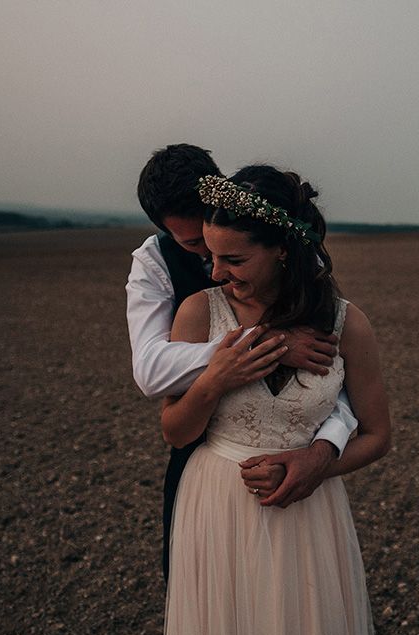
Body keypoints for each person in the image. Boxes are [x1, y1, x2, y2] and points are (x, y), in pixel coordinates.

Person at [160, 165, 390, 635]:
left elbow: (377, 434)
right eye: (212, 255)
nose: (216, 272)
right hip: (216, 503)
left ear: (282, 249)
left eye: (234, 259)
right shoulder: (199, 313)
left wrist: (319, 464)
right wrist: (217, 376)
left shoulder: (347, 324)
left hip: (307, 510)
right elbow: (175, 431)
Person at [126, 145, 359, 581]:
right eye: (195, 243)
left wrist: (323, 452)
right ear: (163, 230)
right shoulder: (154, 264)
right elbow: (151, 370)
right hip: (204, 451)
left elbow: (334, 376)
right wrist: (265, 344)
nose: (212, 264)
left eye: (228, 252)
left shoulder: (285, 249)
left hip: (299, 456)